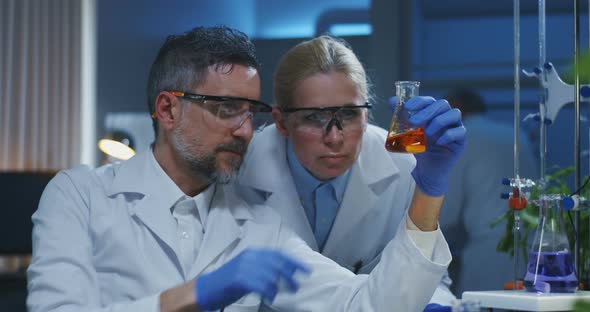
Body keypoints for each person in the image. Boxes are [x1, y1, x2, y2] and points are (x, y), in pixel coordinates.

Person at [26, 26, 456, 312]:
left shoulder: (260, 226)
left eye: (250, 111)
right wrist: (194, 295)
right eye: (226, 109)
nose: (245, 129)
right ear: (167, 109)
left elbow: (370, 305)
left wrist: (430, 185)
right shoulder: (79, 195)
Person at [236, 35, 463, 308]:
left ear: (367, 115)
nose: (334, 138)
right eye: (313, 117)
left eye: (349, 114)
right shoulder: (240, 168)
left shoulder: (403, 165)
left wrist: (434, 304)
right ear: (281, 121)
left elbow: (431, 280)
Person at [438, 88, 538, 295]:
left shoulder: (461, 138)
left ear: (457, 109)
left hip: (489, 254)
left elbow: (447, 212)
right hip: (530, 246)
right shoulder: (515, 135)